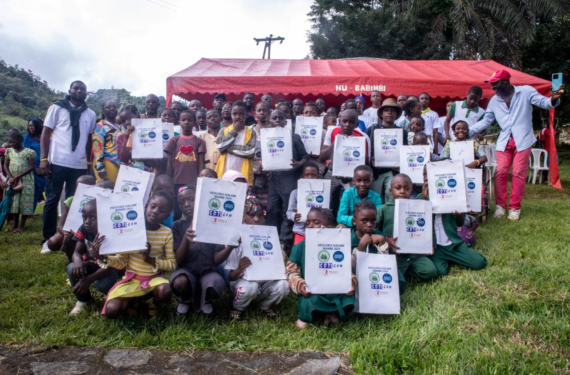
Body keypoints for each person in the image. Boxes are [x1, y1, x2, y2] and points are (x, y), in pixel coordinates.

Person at [93, 191, 177, 319]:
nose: (155, 211)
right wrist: (102, 257)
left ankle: (152, 301)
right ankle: (135, 300)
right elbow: (121, 261)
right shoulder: (131, 229)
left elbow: (172, 265)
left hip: (154, 279)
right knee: (112, 311)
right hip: (132, 280)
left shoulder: (166, 233)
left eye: (162, 210)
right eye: (153, 206)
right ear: (146, 205)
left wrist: (150, 260)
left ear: (167, 216)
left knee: (165, 291)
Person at [40, 81, 97, 244]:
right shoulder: (57, 108)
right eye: (76, 88)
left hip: (78, 164)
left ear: (87, 93)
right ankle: (48, 236)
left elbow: (89, 140)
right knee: (52, 199)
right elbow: (45, 133)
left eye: (83, 89)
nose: (79, 91)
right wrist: (44, 159)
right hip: (57, 161)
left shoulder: (90, 114)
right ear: (69, 90)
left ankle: (73, 235)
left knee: (75, 201)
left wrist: (88, 162)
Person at [287, 208, 356, 328]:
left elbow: (347, 269)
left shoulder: (339, 245)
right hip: (312, 290)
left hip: (334, 289)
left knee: (347, 296)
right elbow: (291, 271)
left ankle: (331, 313)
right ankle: (306, 316)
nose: (310, 225)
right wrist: (300, 284)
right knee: (309, 300)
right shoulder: (300, 247)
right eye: (308, 222)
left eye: (316, 222)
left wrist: (351, 281)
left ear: (328, 228)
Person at [169, 185, 232, 316]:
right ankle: (186, 299)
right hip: (186, 271)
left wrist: (230, 247)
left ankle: (206, 299)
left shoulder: (213, 224)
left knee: (216, 283)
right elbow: (178, 259)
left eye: (191, 199)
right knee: (179, 282)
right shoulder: (177, 226)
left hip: (208, 271)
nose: (187, 204)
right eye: (182, 202)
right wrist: (185, 240)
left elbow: (216, 260)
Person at [225, 196, 290, 320]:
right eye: (251, 215)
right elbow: (230, 276)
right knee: (251, 287)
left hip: (265, 283)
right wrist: (240, 269)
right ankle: (238, 307)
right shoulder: (236, 240)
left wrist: (280, 259)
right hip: (244, 283)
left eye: (261, 215)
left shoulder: (270, 236)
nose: (257, 219)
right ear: (243, 216)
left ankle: (265, 305)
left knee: (284, 285)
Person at [419, 166, 487, 275]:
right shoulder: (421, 198)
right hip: (436, 248)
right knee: (441, 272)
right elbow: (418, 220)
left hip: (453, 244)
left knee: (480, 262)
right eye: (424, 175)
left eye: (429, 174)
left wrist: (459, 214)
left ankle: (455, 256)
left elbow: (460, 223)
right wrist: (423, 197)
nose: (426, 178)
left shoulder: (453, 196)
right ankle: (448, 259)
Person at [376, 174, 438, 286]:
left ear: (412, 190)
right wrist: (387, 241)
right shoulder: (383, 210)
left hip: (415, 254)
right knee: (393, 280)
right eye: (398, 188)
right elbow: (375, 231)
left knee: (430, 272)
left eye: (407, 188)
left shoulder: (418, 208)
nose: (402, 191)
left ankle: (409, 270)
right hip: (394, 253)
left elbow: (427, 227)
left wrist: (430, 245)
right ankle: (402, 271)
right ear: (390, 191)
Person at [65, 199, 119, 315]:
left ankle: (112, 296)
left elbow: (110, 265)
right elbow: (76, 252)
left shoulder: (111, 233)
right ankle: (83, 300)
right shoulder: (84, 228)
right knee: (71, 268)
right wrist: (78, 260)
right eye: (84, 217)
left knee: (100, 284)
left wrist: (88, 279)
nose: (87, 222)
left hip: (109, 269)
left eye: (93, 218)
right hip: (90, 265)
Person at [267, 109, 309, 247]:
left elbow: (305, 157)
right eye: (274, 118)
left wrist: (298, 164)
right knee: (272, 210)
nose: (278, 120)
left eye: (281, 118)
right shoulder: (266, 138)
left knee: (287, 211)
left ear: (286, 122)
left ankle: (284, 241)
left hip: (289, 179)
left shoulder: (294, 137)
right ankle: (271, 238)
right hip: (273, 180)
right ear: (270, 121)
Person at [320, 109, 370, 215]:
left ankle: (352, 223)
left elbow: (364, 163)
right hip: (332, 172)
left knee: (354, 201)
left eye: (351, 122)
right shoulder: (332, 132)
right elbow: (322, 157)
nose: (347, 125)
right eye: (345, 121)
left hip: (351, 176)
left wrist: (350, 175)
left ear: (356, 124)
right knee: (322, 196)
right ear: (340, 121)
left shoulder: (362, 137)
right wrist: (338, 141)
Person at [351, 200, 407, 293]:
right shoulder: (350, 239)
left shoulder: (379, 235)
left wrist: (381, 242)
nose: (369, 225)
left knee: (397, 281)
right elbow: (350, 266)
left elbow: (385, 262)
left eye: (373, 221)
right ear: (354, 221)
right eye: (364, 221)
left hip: (377, 273)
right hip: (359, 275)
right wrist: (361, 246)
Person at [366, 98, 407, 203]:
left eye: (393, 110)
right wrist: (371, 160)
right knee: (374, 200)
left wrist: (400, 164)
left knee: (392, 198)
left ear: (396, 114)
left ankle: (390, 219)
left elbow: (405, 152)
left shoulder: (402, 132)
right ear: (381, 114)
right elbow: (366, 151)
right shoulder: (372, 129)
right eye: (386, 110)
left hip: (393, 172)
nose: (390, 112)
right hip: (376, 172)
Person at [45, 175, 96, 256]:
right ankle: (72, 256)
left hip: (90, 232)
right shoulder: (71, 200)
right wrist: (65, 234)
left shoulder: (97, 201)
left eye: (84, 187)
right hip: (72, 231)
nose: (79, 189)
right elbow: (60, 225)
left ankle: (82, 254)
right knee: (53, 242)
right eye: (77, 186)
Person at [215, 101, 257, 183]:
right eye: (235, 114)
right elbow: (220, 146)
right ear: (231, 114)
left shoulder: (251, 132)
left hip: (243, 171)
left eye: (241, 114)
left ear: (246, 115)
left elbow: (250, 151)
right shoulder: (223, 130)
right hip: (225, 170)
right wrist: (234, 131)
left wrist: (228, 148)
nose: (238, 117)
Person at [3, 131, 36, 232]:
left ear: (20, 140)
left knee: (25, 202)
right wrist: (11, 177)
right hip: (13, 181)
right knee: (15, 202)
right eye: (10, 142)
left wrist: (19, 176)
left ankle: (22, 225)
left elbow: (32, 166)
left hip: (26, 180)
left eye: (13, 142)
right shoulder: (9, 152)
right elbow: (5, 165)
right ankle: (15, 224)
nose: (12, 144)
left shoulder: (28, 152)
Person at [165, 110, 206, 189]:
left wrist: (200, 182)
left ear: (194, 122)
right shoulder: (173, 140)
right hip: (176, 181)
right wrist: (169, 182)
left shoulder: (199, 141)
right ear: (179, 122)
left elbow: (201, 164)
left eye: (190, 120)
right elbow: (169, 164)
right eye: (183, 120)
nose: (186, 122)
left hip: (194, 182)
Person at [286, 162, 320, 245]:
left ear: (318, 177)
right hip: (301, 231)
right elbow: (289, 212)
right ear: (302, 176)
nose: (310, 178)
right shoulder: (295, 193)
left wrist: (327, 213)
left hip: (319, 232)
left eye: (313, 175)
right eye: (307, 175)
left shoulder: (324, 193)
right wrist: (295, 216)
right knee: (299, 253)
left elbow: (327, 212)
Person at [92, 100, 122, 182]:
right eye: (108, 107)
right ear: (103, 111)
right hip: (107, 162)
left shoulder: (119, 126)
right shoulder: (100, 126)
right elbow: (97, 145)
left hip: (119, 163)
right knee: (110, 189)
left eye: (114, 107)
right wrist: (100, 166)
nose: (112, 109)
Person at [250, 102, 272, 206]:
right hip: (252, 172)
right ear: (255, 113)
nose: (262, 113)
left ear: (268, 112)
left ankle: (265, 220)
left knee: (267, 203)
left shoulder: (274, 130)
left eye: (264, 110)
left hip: (270, 173)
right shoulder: (249, 130)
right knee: (252, 202)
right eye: (259, 110)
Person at [23, 117, 45, 212]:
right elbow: (24, 153)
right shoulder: (26, 138)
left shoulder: (44, 137)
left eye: (32, 126)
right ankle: (27, 213)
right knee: (31, 191)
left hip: (43, 168)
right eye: (29, 126)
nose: (30, 128)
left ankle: (31, 211)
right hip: (30, 168)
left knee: (39, 190)